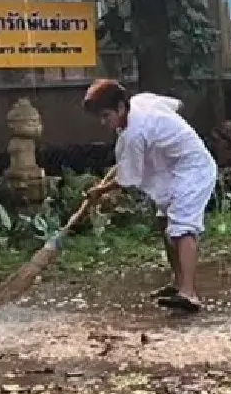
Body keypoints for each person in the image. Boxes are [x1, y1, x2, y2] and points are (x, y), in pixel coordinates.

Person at [83, 79, 216, 314]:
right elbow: (177, 105)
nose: (104, 123)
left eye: (106, 116)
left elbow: (127, 180)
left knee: (182, 227)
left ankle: (188, 293)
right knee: (163, 221)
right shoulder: (141, 101)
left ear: (121, 108)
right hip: (170, 166)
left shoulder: (135, 134)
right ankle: (177, 284)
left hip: (193, 168)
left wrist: (100, 191)